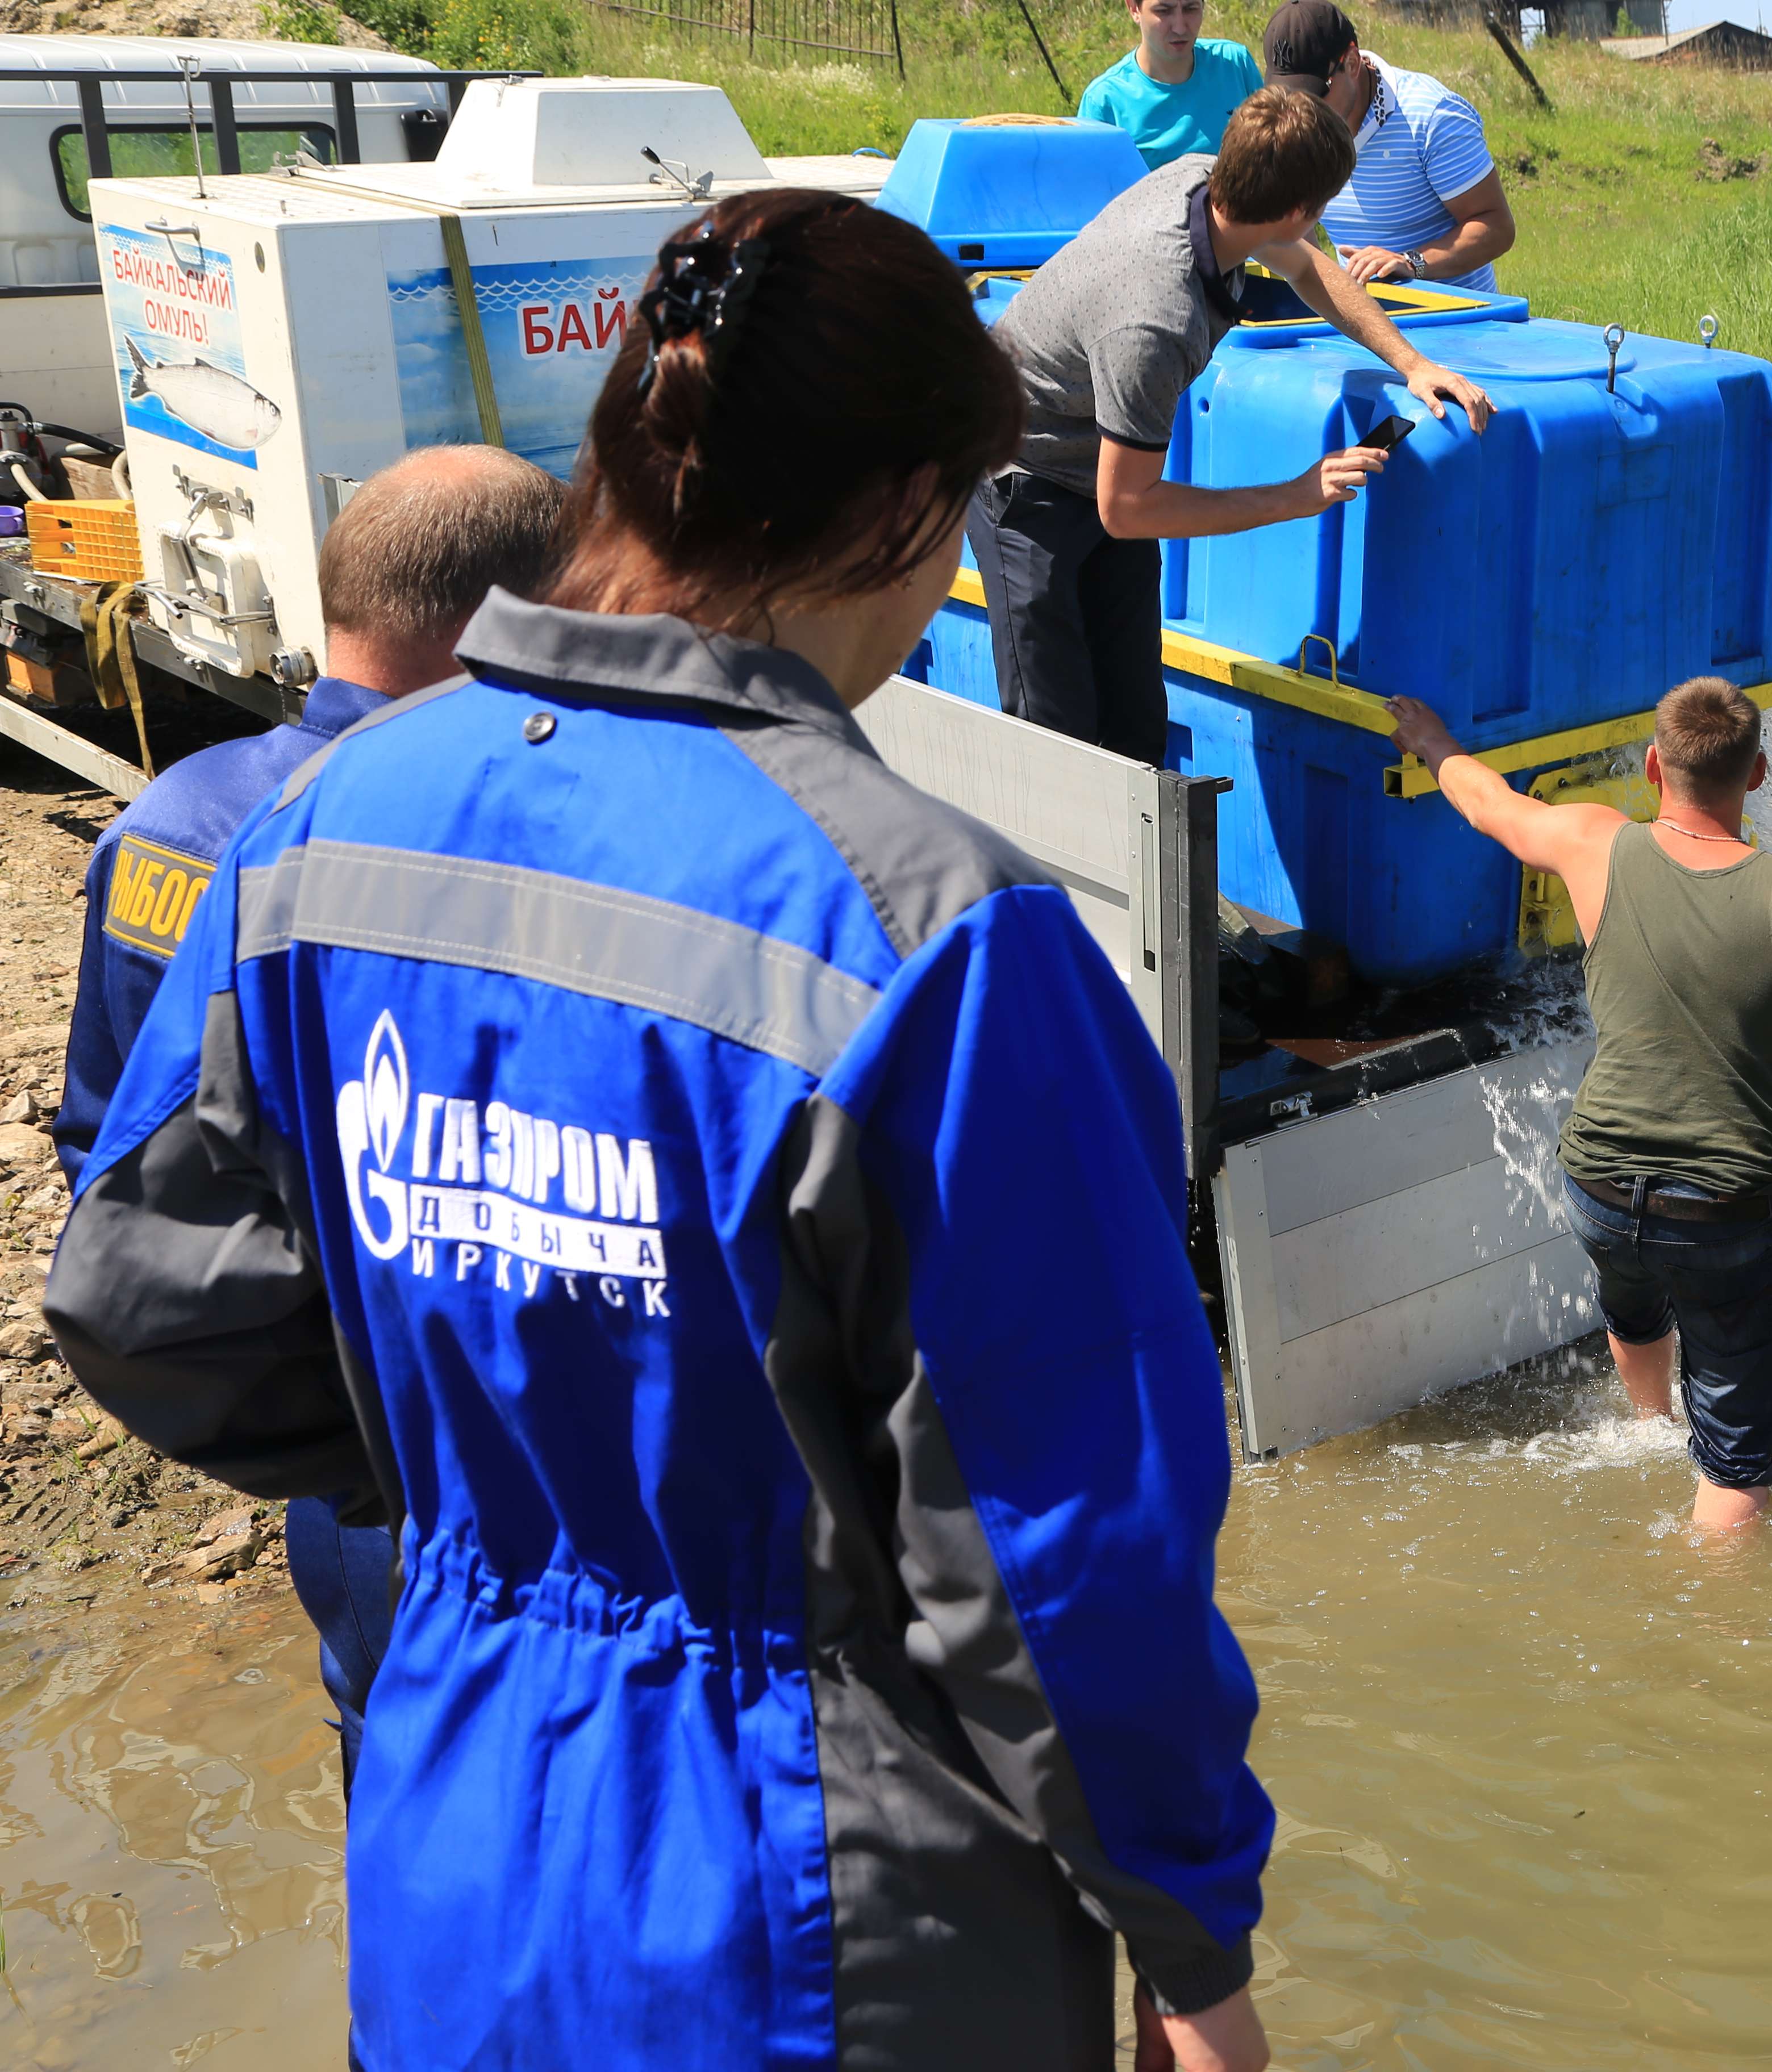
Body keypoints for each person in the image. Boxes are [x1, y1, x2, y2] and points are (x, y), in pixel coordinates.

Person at [49, 190, 1274, 2072]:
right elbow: (1058, 1542)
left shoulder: (322, 829)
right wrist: (1193, 1945)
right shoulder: (936, 931)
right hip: (820, 1915)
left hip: (448, 1847)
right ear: (896, 517)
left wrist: (485, 1477)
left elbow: (147, 1294)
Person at [53, 441, 566, 1798]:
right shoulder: (484, 836)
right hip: (499, 1455)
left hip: (329, 1460)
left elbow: (104, 1165)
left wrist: (326, 1442)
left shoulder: (168, 823)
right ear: (528, 619)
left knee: (386, 1765)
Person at [1386, 679, 1772, 1532]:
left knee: (1633, 1295)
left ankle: (1646, 1427)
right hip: (1722, 1212)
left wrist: (1436, 743)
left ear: (1650, 768)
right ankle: (1708, 1644)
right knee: (1736, 1476)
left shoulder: (1597, 841)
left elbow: (1490, 806)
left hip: (1599, 1189)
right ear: (1757, 776)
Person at [977, 84, 1492, 761]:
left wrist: (1410, 361)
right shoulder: (1158, 319)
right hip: (1022, 472)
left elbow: (1309, 270)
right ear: (1299, 210)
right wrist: (1296, 496)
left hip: (1097, 459)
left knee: (1133, 727)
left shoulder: (1206, 182)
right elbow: (1126, 508)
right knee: (1058, 742)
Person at [1262, 0, 1517, 293]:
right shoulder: (1293, 121)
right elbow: (1300, 238)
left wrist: (1411, 264)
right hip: (1362, 329)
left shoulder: (1432, 116)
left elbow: (1496, 226)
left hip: (1460, 325)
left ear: (1353, 62)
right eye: (1289, 94)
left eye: (1317, 92)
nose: (1303, 108)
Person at [1079, 0, 1265, 170]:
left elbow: (1271, 156)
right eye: (1164, 11)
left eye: (1190, 9)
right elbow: (1092, 191)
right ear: (1134, 9)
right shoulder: (1105, 101)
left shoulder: (1234, 64)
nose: (1180, 27)